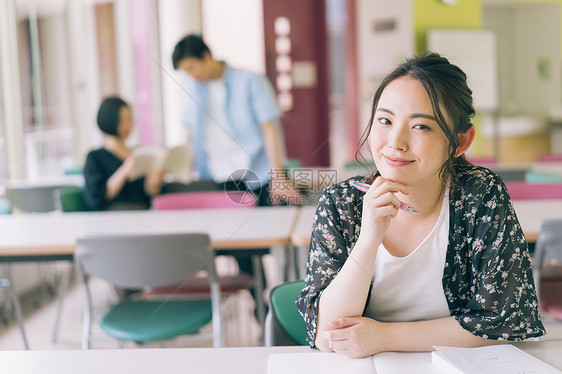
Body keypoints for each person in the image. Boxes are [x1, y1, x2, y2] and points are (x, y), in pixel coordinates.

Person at [296, 52, 545, 358]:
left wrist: (384, 336)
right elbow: (327, 334)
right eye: (385, 120)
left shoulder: (479, 195)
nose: (396, 141)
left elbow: (504, 322)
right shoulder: (341, 203)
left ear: (461, 142)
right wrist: (369, 238)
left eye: (422, 127)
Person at [172, 34, 299, 206]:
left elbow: (270, 129)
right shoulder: (194, 90)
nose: (191, 75)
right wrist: (186, 172)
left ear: (206, 57)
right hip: (219, 178)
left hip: (259, 175)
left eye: (192, 67)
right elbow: (190, 134)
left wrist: (278, 175)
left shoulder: (250, 81)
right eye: (186, 71)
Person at [84, 96, 164, 211]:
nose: (127, 125)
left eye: (129, 119)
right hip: (112, 218)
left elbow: (147, 196)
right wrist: (125, 169)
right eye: (121, 120)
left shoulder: (139, 153)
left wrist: (153, 184)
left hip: (142, 214)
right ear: (109, 121)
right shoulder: (95, 157)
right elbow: (97, 199)